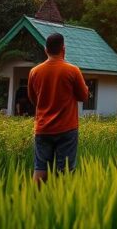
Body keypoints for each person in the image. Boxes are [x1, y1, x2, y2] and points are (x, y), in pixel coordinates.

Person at [28, 33, 89, 182]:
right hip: (67, 128)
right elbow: (83, 96)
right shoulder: (73, 70)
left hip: (43, 127)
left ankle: (33, 200)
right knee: (65, 170)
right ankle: (62, 202)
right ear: (64, 49)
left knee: (40, 167)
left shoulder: (34, 72)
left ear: (45, 50)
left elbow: (33, 99)